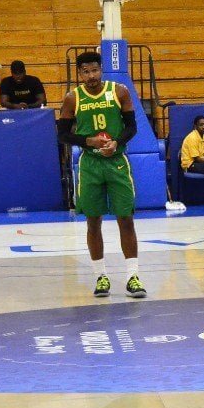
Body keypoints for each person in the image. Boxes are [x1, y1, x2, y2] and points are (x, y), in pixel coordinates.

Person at [57, 51, 146, 300]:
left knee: (125, 219)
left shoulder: (119, 91)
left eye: (95, 70)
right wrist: (89, 141)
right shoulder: (72, 98)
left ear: (101, 70)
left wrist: (116, 143)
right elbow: (62, 135)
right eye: (86, 72)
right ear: (79, 74)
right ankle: (101, 276)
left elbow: (132, 127)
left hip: (117, 162)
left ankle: (133, 277)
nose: (91, 76)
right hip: (90, 165)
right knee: (93, 221)